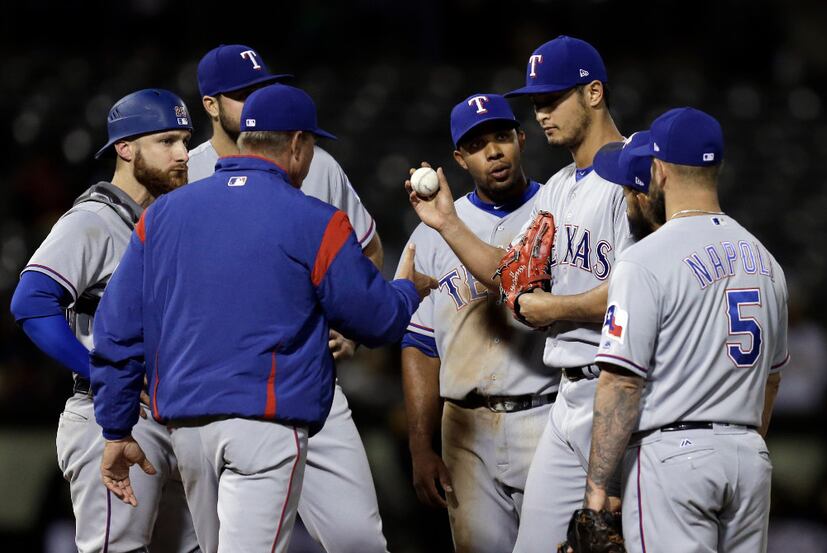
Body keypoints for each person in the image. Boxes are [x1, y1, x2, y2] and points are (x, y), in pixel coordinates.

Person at [88, 83, 437, 553]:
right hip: (265, 426)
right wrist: (407, 291)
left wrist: (114, 426)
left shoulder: (164, 213)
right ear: (297, 143)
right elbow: (376, 321)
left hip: (188, 433)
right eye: (311, 144)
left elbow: (115, 327)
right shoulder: (314, 220)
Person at [404, 36, 633, 548]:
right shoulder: (560, 186)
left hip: (612, 388)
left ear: (593, 93)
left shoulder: (632, 173)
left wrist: (553, 306)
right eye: (536, 103)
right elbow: (511, 274)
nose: (542, 113)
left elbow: (642, 294)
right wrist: (447, 224)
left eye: (552, 99)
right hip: (567, 395)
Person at [187, 43, 391, 553]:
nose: (257, 99)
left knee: (359, 540)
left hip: (308, 378)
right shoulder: (184, 172)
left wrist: (345, 323)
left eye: (262, 87)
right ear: (210, 105)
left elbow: (368, 249)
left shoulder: (314, 162)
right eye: (242, 93)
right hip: (214, 391)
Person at [583, 107, 788, 553]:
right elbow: (771, 378)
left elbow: (621, 381)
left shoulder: (645, 259)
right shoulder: (768, 263)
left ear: (656, 171)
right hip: (749, 456)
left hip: (673, 458)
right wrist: (737, 443)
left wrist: (598, 487)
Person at [9, 89, 199, 553]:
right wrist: (100, 372)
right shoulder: (94, 219)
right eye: (167, 141)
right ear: (126, 148)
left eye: (185, 141)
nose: (182, 154)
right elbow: (31, 303)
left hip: (174, 415)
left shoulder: (166, 218)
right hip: (110, 417)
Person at [400, 93, 555, 553]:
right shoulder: (429, 232)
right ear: (459, 159)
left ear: (521, 139)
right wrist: (419, 445)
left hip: (546, 415)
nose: (494, 152)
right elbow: (419, 344)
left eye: (502, 137)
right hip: (464, 428)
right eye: (477, 144)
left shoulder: (559, 210)